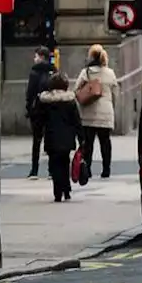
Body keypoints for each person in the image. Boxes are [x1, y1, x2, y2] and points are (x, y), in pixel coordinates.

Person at [37, 72, 84, 202]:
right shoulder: (70, 101)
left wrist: (38, 134)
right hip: (67, 137)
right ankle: (66, 189)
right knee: (64, 162)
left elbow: (39, 120)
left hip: (51, 136)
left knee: (54, 164)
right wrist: (81, 138)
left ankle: (57, 192)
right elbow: (76, 121)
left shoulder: (45, 101)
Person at [74, 44, 117, 179]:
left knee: (88, 142)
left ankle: (88, 169)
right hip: (106, 113)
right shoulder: (110, 73)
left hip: (88, 113)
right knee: (105, 142)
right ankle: (106, 169)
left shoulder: (86, 72)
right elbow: (115, 93)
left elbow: (76, 89)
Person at [25, 47, 56, 180]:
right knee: (51, 140)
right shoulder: (53, 71)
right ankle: (51, 170)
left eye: (36, 56)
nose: (34, 58)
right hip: (50, 109)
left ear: (41, 57)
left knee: (36, 141)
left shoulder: (34, 72)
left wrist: (28, 108)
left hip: (37, 110)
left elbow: (30, 92)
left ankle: (34, 170)